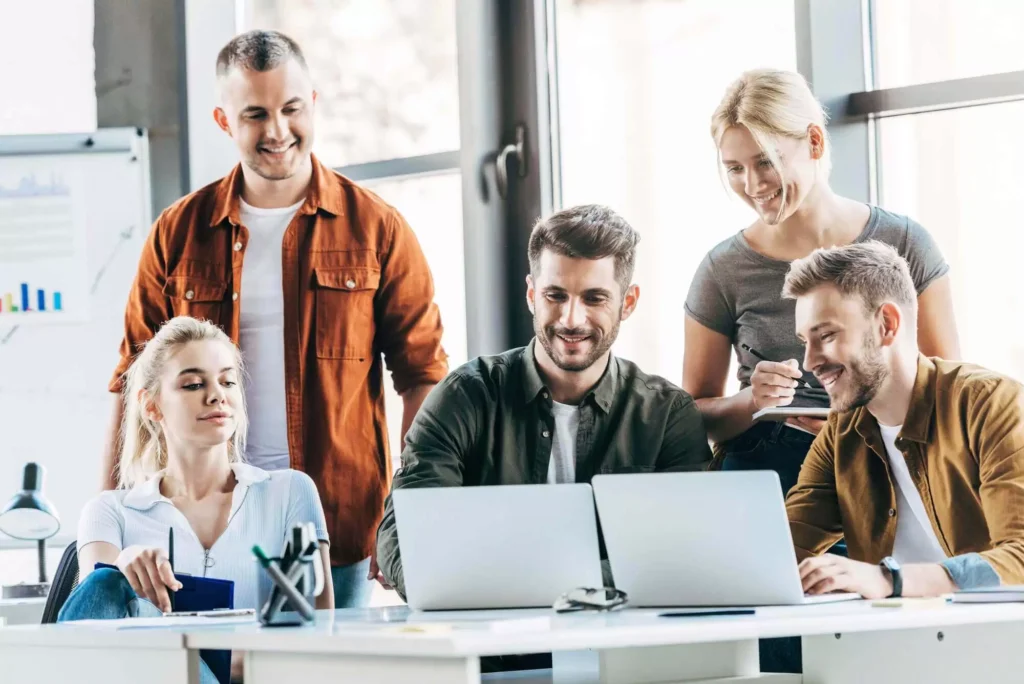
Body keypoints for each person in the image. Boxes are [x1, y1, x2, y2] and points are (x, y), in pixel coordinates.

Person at [99, 30, 448, 607]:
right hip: (193, 525)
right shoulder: (177, 233)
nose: (278, 131)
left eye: (290, 109)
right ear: (223, 119)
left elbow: (423, 378)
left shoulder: (377, 228)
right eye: (255, 114)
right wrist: (110, 519)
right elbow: (130, 379)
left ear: (313, 102)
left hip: (337, 525)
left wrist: (408, 517)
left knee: (318, 670)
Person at [376, 204, 714, 600]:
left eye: (594, 298)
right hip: (492, 649)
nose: (571, 319)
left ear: (629, 302)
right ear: (532, 293)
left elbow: (682, 553)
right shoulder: (464, 397)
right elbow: (404, 535)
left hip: (618, 652)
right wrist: (583, 579)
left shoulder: (666, 415)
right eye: (555, 295)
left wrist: (511, 574)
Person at [682, 69, 960, 496]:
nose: (753, 186)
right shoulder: (723, 269)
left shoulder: (905, 243)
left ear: (814, 141)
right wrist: (752, 401)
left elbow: (947, 390)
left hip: (885, 462)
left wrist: (859, 418)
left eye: (766, 162)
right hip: (768, 476)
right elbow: (695, 415)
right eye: (735, 168)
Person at [764, 241, 1024, 674]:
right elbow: (782, 549)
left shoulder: (991, 404)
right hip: (906, 652)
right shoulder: (841, 434)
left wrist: (890, 580)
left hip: (1000, 651)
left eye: (826, 336)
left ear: (886, 324)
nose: (810, 363)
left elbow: (1021, 557)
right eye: (804, 342)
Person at [62, 317, 333, 684]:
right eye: (193, 384)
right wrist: (121, 565)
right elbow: (90, 629)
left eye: (227, 381)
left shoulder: (289, 492)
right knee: (107, 582)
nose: (216, 395)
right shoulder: (110, 512)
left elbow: (320, 631)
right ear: (152, 405)